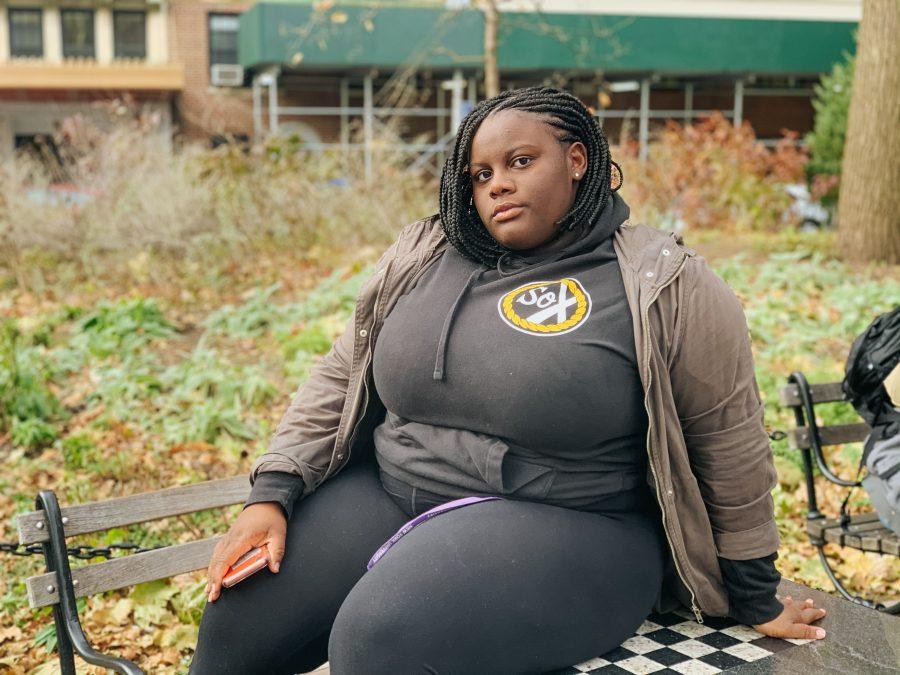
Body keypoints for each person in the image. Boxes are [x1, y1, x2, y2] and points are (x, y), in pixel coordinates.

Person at [190, 87, 827, 674]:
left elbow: (728, 437)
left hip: (575, 521)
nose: (497, 186)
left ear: (577, 160)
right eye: (481, 174)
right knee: (237, 624)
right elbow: (340, 372)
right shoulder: (427, 254)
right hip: (396, 489)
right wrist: (271, 492)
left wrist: (752, 591)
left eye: (520, 161)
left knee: (380, 639)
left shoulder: (665, 282)